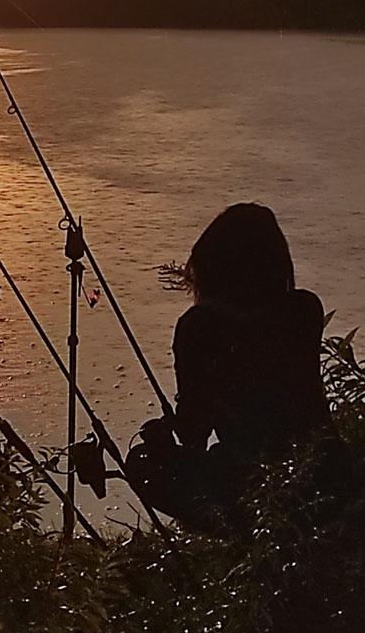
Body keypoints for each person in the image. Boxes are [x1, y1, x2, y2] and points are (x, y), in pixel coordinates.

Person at [130, 203, 341, 533]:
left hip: (253, 479)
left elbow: (193, 432)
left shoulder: (200, 326)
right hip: (326, 473)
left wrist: (163, 433)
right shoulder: (305, 308)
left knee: (143, 463)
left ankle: (239, 534)